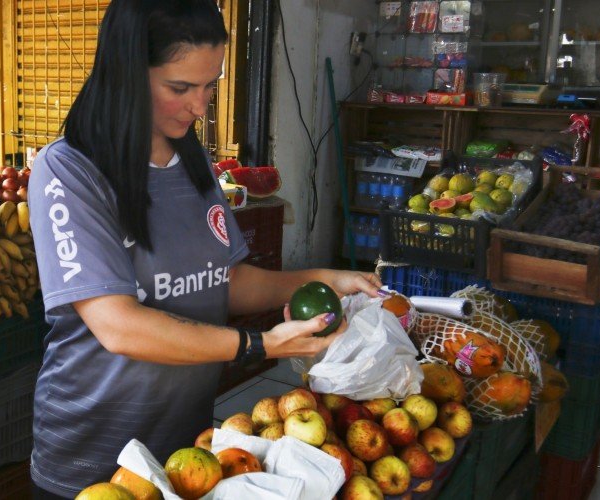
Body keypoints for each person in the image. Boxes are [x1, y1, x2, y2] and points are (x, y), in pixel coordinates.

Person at [27, 0, 381, 497]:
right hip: (92, 458)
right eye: (180, 88)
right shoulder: (70, 171)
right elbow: (118, 325)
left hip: (185, 454)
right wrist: (260, 345)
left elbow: (228, 281)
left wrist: (323, 278)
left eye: (210, 84)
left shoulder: (193, 165)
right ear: (126, 74)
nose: (200, 106)